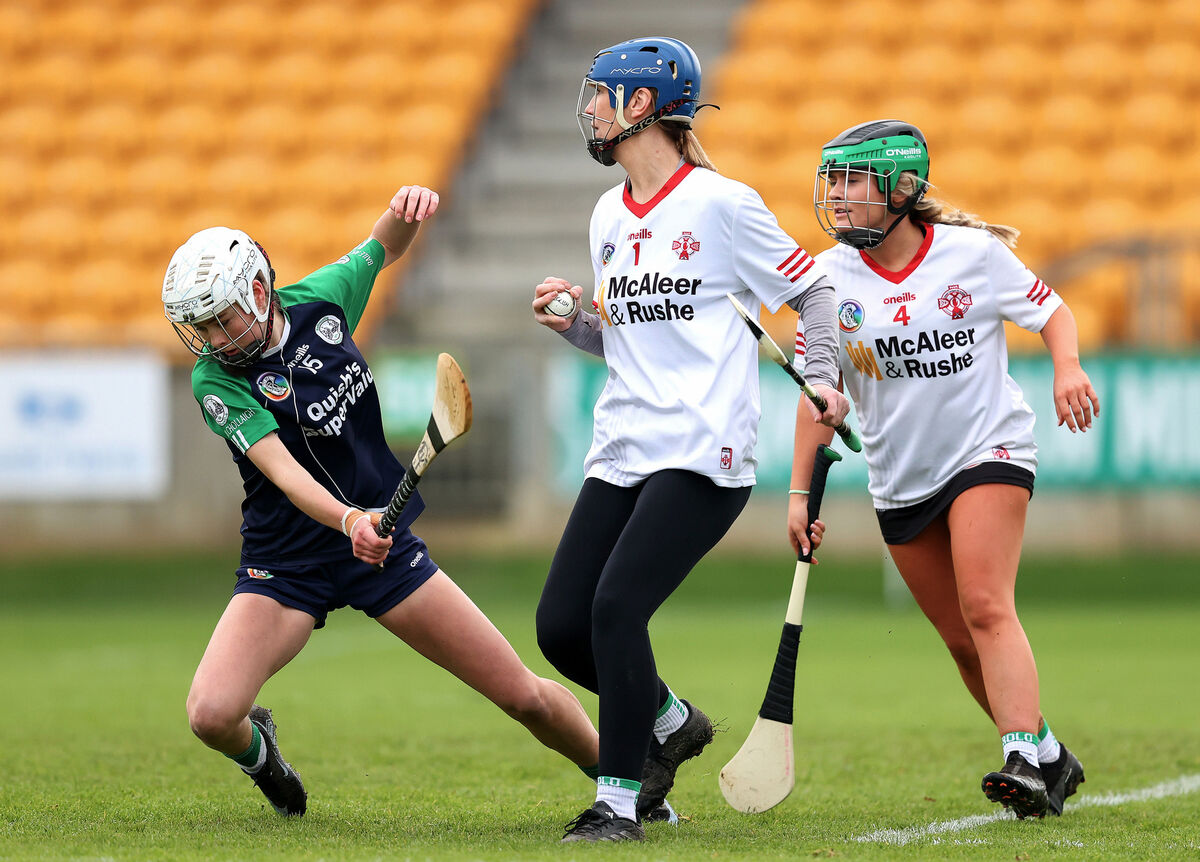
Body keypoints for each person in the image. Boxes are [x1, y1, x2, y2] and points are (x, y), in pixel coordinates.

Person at [163, 186, 601, 823]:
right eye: (198, 326)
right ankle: (265, 759)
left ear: (259, 291)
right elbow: (283, 475)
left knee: (523, 697)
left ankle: (625, 786)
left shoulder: (319, 299)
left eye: (222, 318)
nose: (213, 338)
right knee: (211, 715)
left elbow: (380, 247)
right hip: (286, 564)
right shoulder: (216, 379)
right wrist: (347, 520)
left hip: (383, 552)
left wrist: (405, 214)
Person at [531, 37, 850, 842]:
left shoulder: (721, 204)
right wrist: (577, 323)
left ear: (642, 106)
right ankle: (671, 720)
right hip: (624, 446)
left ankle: (616, 805)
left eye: (604, 95)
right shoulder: (607, 214)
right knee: (561, 627)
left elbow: (813, 293)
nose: (593, 110)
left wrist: (821, 373)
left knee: (615, 608)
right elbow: (626, 341)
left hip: (705, 451)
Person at [791, 119, 1098, 819]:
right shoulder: (825, 279)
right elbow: (817, 394)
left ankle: (1018, 753)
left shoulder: (972, 256)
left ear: (901, 187)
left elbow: (1053, 313)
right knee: (962, 641)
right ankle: (1050, 754)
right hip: (900, 477)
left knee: (987, 606)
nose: (836, 197)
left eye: (852, 181)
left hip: (988, 449)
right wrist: (799, 490)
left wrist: (1067, 367)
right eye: (831, 181)